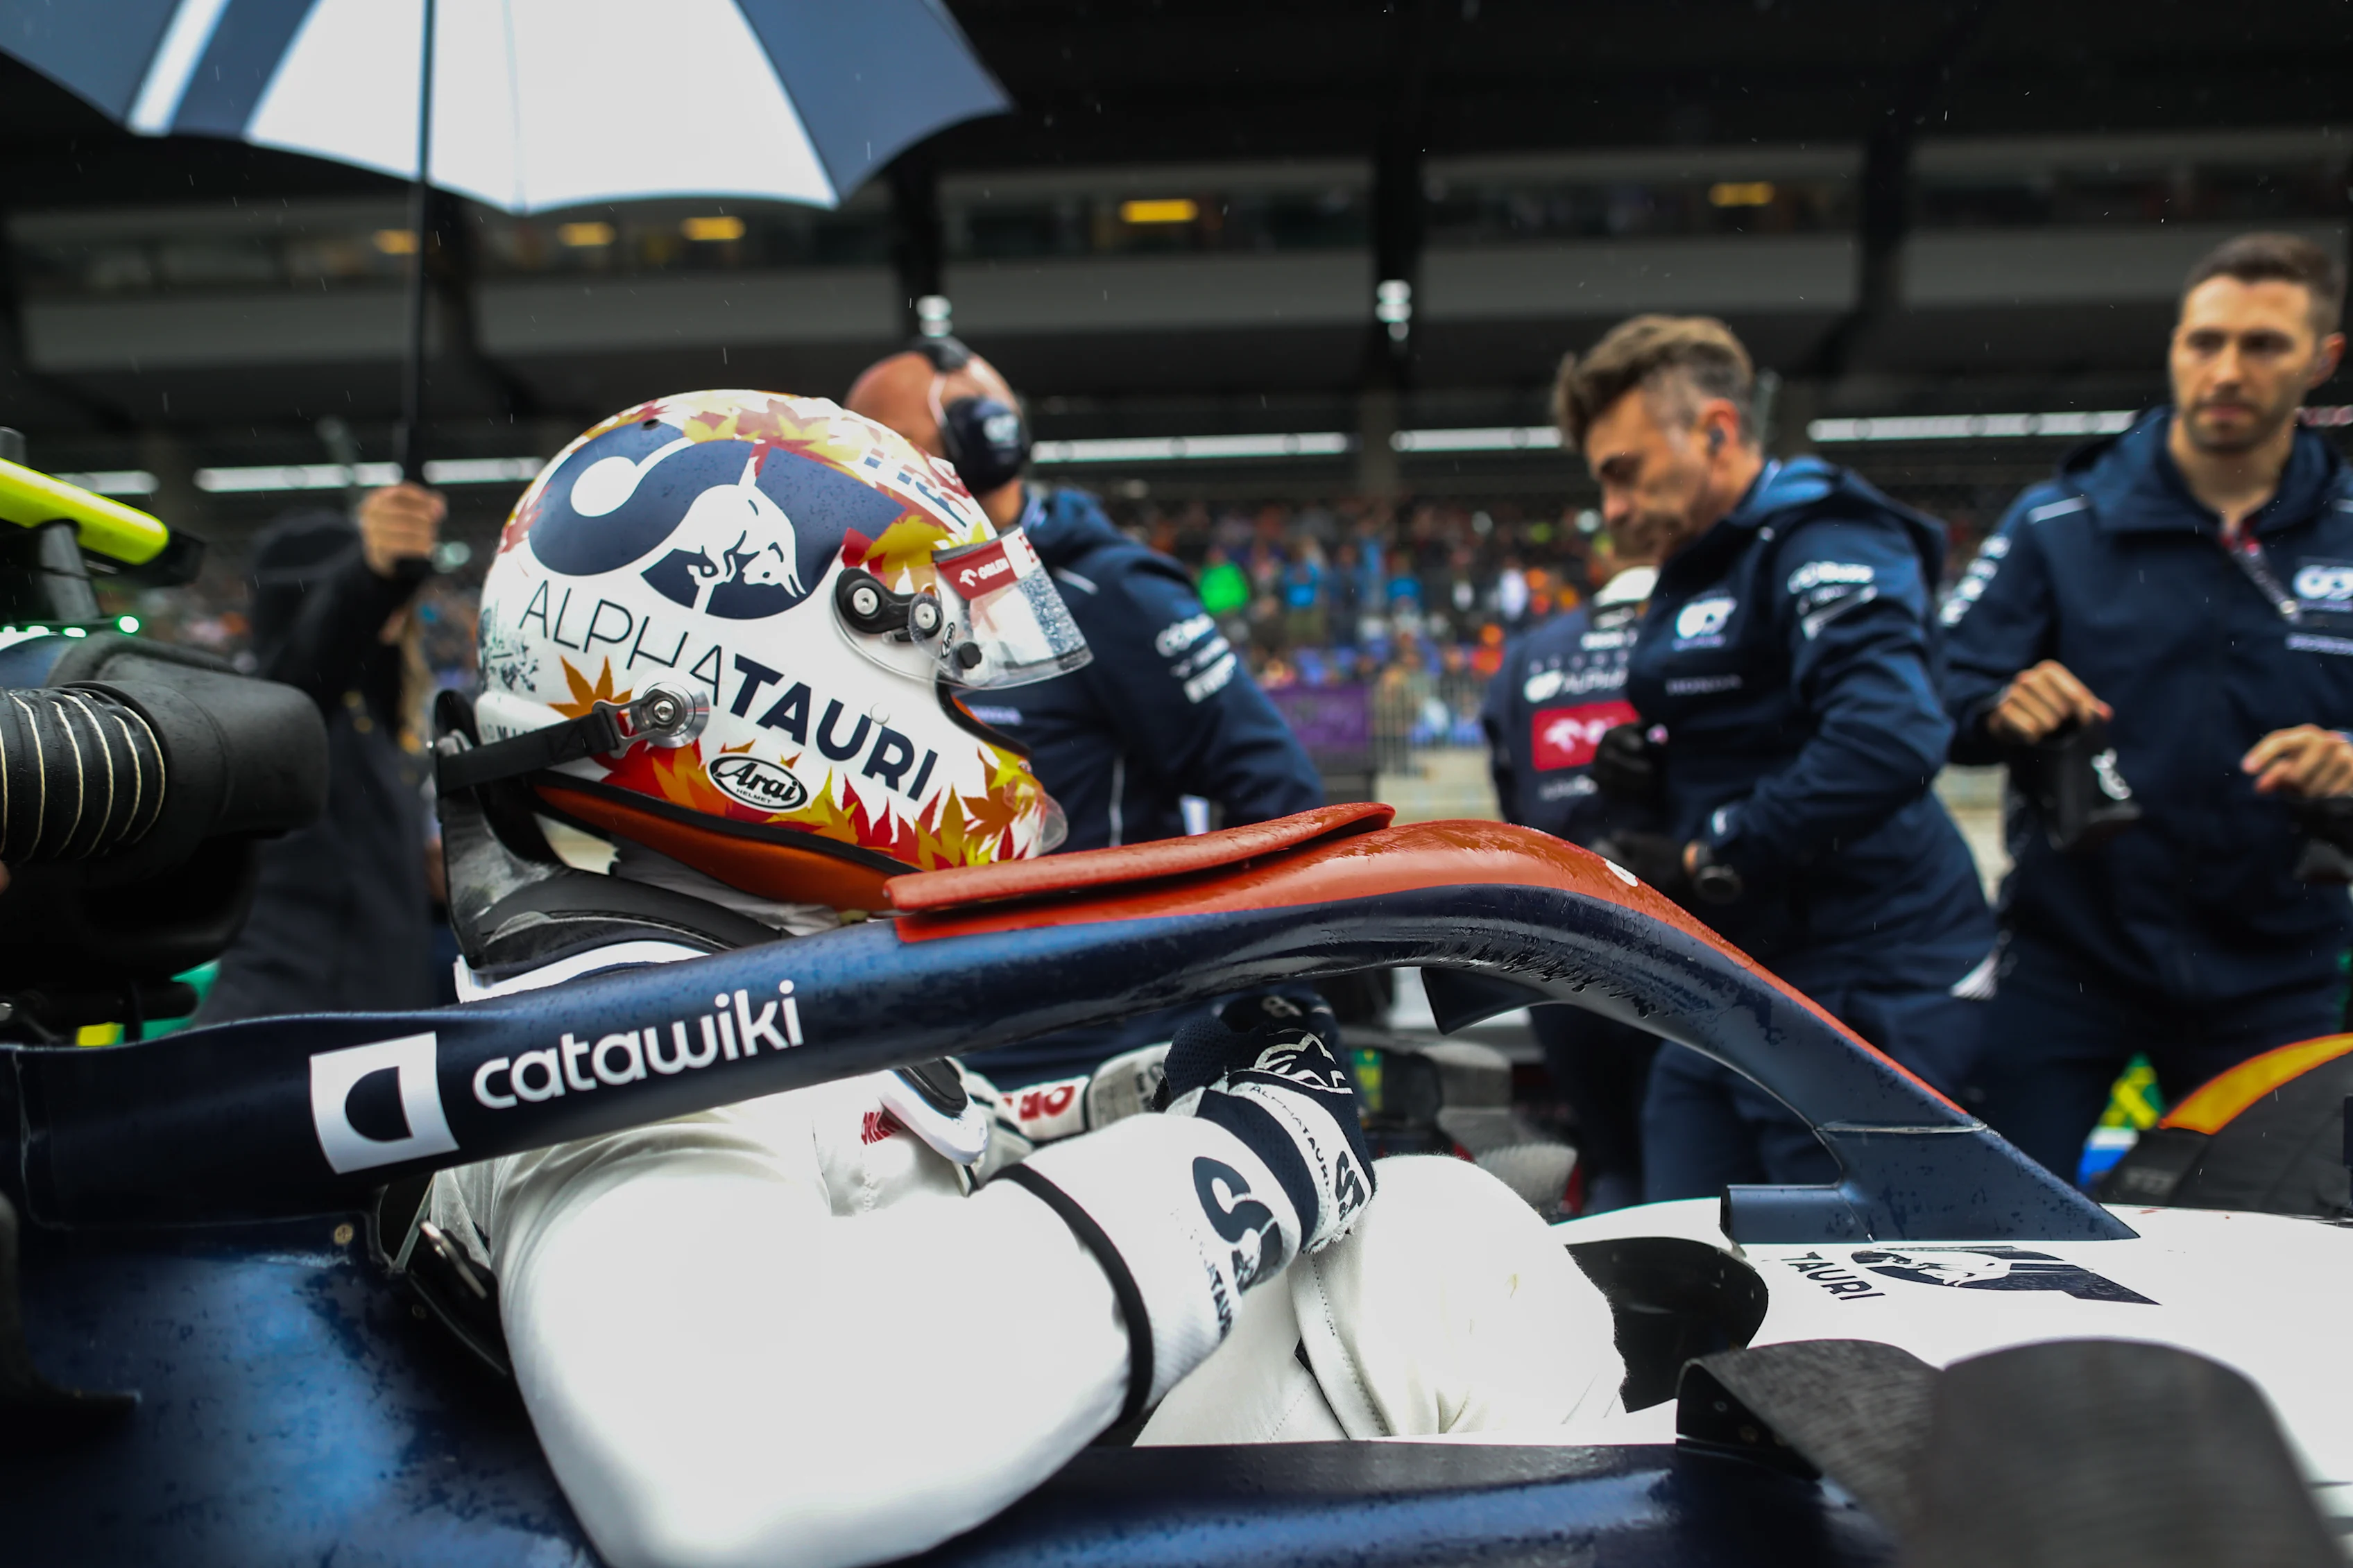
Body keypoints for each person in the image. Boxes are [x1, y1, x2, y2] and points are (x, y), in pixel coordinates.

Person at [428, 390, 1623, 1568]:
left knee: (1433, 1234)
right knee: (1445, 1264)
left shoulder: (704, 950)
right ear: (749, 677)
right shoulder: (617, 1025)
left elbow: (881, 1170)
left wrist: (1128, 1097)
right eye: (943, 674)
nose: (982, 722)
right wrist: (1248, 1159)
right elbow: (728, 1479)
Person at [1941, 232, 2353, 1179]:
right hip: (2066, 963)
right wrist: (2005, 704)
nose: (2227, 369)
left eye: (2264, 345)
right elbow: (1942, 690)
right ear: (2174, 345)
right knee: (1996, 1235)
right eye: (2204, 342)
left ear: (2322, 359)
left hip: (2276, 972)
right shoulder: (2060, 522)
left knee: (2274, 1250)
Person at [1559, 316, 1996, 1201]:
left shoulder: (1823, 535)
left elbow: (1888, 737)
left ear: (1716, 430)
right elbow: (1754, 720)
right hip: (1736, 978)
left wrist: (1706, 849)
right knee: (1681, 1244)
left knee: (1851, 1293)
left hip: (1864, 980)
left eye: (1623, 471)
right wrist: (1652, 768)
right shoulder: (1701, 559)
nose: (1609, 509)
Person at [844, 338, 1323, 1084]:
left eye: (876, 447)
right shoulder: (872, 601)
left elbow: (1271, 784)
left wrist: (1258, 1003)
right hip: (926, 1053)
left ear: (981, 445)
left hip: (1103, 1060)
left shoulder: (1098, 590)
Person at [195, 485, 442, 1022]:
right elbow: (315, 658)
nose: (399, 622)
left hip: (360, 1024)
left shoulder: (365, 718)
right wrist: (372, 576)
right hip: (289, 1028)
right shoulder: (277, 707)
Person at [1480, 522, 1663, 1211]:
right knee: (1688, 1156)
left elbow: (1511, 798)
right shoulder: (1703, 645)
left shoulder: (1528, 656)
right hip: (1686, 946)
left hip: (1562, 946)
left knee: (1611, 1156)